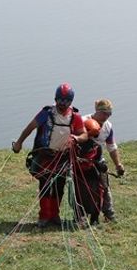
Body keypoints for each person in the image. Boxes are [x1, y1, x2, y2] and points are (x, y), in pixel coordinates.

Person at [12, 83, 88, 228]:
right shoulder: (46, 113)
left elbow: (83, 134)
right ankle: (44, 216)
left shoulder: (75, 117)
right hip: (45, 156)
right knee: (45, 185)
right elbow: (30, 127)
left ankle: (54, 215)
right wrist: (19, 143)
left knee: (59, 186)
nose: (62, 104)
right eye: (60, 100)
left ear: (71, 101)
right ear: (55, 98)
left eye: (66, 101)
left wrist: (76, 138)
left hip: (63, 157)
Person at [90, 98, 125, 221]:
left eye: (109, 114)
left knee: (104, 187)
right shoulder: (84, 121)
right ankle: (80, 216)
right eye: (104, 113)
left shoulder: (108, 127)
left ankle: (109, 214)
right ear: (97, 111)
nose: (106, 116)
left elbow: (111, 147)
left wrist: (118, 165)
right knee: (81, 188)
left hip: (99, 160)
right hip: (81, 160)